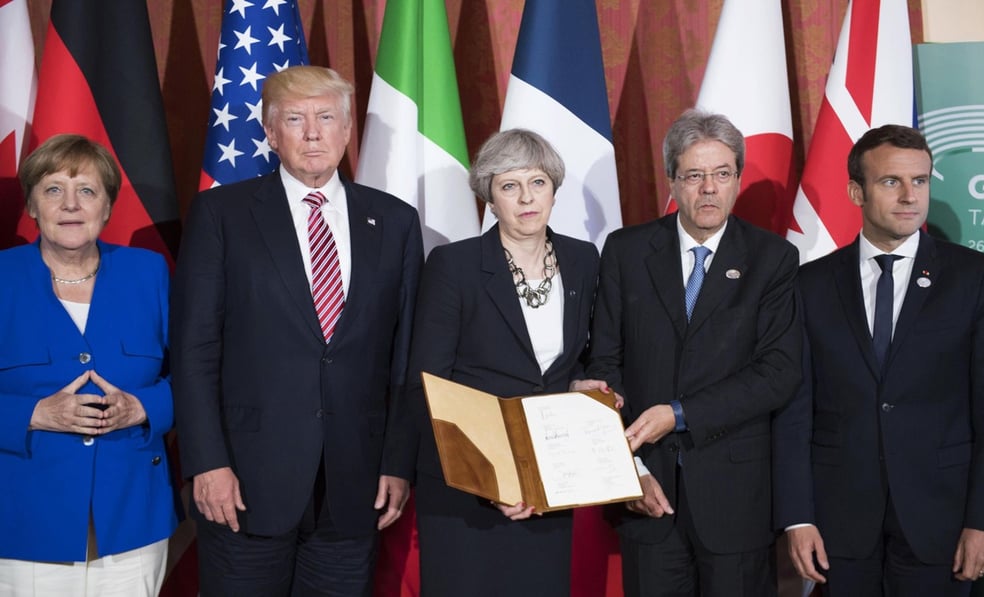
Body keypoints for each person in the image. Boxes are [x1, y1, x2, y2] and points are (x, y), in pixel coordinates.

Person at [171, 65, 423, 596]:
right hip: (244, 482)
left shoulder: (394, 221)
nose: (313, 133)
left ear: (348, 128)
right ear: (269, 132)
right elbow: (194, 350)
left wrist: (398, 461)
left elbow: (403, 356)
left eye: (326, 117)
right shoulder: (223, 215)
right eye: (295, 119)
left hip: (354, 487)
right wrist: (207, 462)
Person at [774, 124, 984, 596]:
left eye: (920, 181)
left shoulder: (974, 277)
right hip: (837, 526)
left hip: (942, 523)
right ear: (855, 191)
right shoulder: (811, 285)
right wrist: (796, 517)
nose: (910, 196)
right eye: (891, 182)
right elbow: (794, 411)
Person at [586, 109, 802, 596]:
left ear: (738, 180)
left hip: (735, 502)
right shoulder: (625, 251)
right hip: (646, 492)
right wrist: (630, 471)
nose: (709, 188)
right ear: (672, 181)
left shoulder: (773, 259)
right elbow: (603, 364)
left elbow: (778, 372)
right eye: (695, 175)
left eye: (722, 174)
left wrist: (679, 414)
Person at [405, 129, 601, 596]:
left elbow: (588, 360)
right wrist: (493, 482)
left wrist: (588, 388)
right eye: (509, 185)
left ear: (554, 188)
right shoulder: (454, 265)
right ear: (489, 198)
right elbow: (428, 383)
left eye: (537, 182)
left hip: (549, 485)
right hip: (467, 487)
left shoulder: (583, 259)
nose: (526, 197)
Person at [0, 134, 177, 596]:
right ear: (33, 206)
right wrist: (34, 414)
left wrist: (144, 407)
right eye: (54, 189)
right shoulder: (3, 277)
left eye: (88, 191)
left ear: (108, 206)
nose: (71, 204)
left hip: (132, 519)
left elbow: (196, 373)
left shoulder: (149, 272)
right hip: (24, 519)